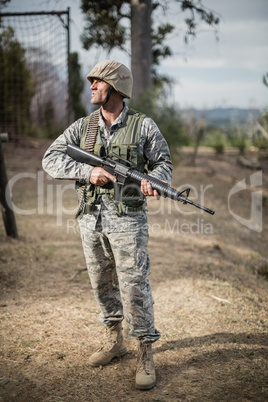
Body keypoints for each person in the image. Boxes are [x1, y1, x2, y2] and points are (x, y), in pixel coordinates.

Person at [42, 60, 173, 390]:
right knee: (101, 281)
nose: (92, 87)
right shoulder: (83, 127)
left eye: (97, 82)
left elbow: (162, 163)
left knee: (134, 285)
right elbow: (51, 158)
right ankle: (115, 339)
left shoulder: (143, 126)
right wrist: (88, 173)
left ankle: (144, 349)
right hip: (90, 217)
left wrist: (154, 181)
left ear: (115, 87)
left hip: (128, 219)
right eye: (91, 82)